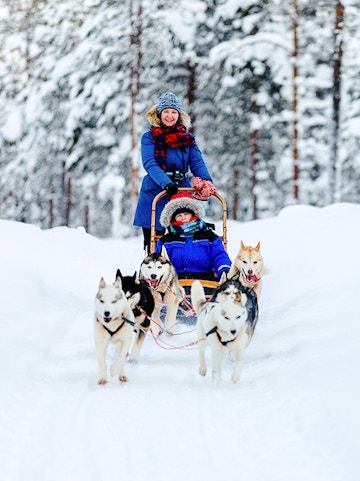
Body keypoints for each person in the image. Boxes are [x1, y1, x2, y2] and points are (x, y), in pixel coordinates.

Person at [133, 92, 216, 252]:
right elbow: (150, 163)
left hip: (180, 189)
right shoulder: (149, 137)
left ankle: (184, 270)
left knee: (183, 234)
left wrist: (206, 181)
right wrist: (166, 183)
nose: (169, 116)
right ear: (159, 114)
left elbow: (197, 162)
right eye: (166, 112)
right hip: (155, 190)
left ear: (179, 115)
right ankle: (153, 270)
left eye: (173, 112)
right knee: (153, 240)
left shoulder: (187, 139)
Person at [154, 192, 231, 281]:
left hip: (206, 280)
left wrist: (224, 271)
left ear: (193, 214)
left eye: (186, 214)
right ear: (173, 218)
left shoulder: (209, 236)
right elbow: (158, 261)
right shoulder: (166, 241)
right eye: (179, 215)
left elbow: (219, 256)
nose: (183, 218)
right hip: (175, 282)